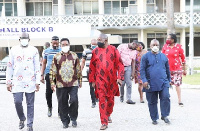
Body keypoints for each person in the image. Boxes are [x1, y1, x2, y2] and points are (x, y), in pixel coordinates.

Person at [89, 34, 124, 130]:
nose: (98, 41)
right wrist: (92, 80)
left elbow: (120, 63)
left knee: (110, 101)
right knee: (101, 100)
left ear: (106, 40)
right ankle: (104, 122)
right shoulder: (95, 51)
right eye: (97, 39)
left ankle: (108, 114)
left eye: (100, 39)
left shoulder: (113, 49)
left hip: (112, 80)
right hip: (100, 80)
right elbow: (92, 67)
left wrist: (120, 77)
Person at [6, 32, 40, 131]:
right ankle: (22, 118)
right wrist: (8, 81)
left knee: (30, 104)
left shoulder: (34, 50)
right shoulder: (14, 50)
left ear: (29, 40)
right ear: (19, 39)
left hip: (30, 81)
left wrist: (37, 81)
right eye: (22, 38)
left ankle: (30, 124)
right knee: (17, 102)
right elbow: (10, 66)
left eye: (26, 38)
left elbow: (37, 66)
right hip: (17, 81)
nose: (24, 40)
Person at [49, 38, 82, 128]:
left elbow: (78, 69)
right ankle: (65, 120)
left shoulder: (74, 56)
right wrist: (52, 83)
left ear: (69, 45)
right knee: (62, 103)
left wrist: (80, 80)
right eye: (63, 45)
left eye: (66, 44)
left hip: (73, 83)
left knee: (74, 100)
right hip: (60, 84)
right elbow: (53, 70)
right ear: (60, 46)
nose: (65, 46)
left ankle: (73, 118)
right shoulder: (57, 56)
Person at [140, 39, 171, 125]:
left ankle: (165, 115)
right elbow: (142, 70)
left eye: (157, 45)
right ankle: (154, 118)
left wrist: (169, 80)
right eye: (153, 45)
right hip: (150, 83)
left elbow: (167, 69)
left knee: (166, 97)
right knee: (152, 101)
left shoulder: (164, 56)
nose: (155, 47)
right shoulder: (145, 57)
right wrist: (144, 80)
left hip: (163, 82)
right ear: (150, 46)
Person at [162, 33, 186, 107]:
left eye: (169, 38)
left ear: (173, 39)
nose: (167, 40)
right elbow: (162, 57)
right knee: (166, 85)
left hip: (177, 69)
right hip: (167, 69)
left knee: (177, 84)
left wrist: (184, 69)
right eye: (167, 38)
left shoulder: (179, 47)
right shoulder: (165, 47)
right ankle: (166, 99)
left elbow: (183, 58)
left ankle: (179, 100)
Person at [40, 36, 61, 117]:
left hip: (60, 74)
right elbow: (44, 63)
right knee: (48, 92)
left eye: (56, 43)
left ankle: (60, 110)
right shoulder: (46, 51)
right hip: (49, 73)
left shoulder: (62, 50)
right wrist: (42, 75)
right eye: (54, 43)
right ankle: (49, 107)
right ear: (51, 42)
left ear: (58, 43)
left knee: (60, 93)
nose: (55, 44)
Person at [81, 39, 98, 108]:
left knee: (98, 85)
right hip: (90, 71)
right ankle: (93, 102)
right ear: (90, 44)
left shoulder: (100, 50)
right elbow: (83, 61)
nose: (94, 46)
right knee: (91, 86)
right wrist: (80, 71)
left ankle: (97, 97)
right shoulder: (86, 51)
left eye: (95, 45)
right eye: (93, 45)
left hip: (98, 71)